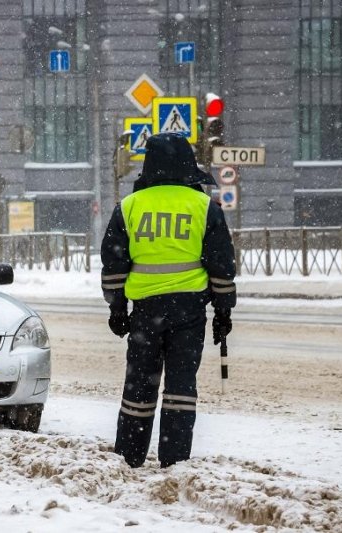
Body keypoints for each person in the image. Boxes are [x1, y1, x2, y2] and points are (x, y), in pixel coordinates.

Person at [100, 132, 236, 468]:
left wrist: (117, 308)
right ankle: (174, 459)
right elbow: (221, 267)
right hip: (189, 312)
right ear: (188, 166)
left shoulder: (129, 207)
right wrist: (223, 312)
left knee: (139, 388)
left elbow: (114, 264)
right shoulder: (205, 208)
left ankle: (129, 455)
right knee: (180, 388)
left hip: (145, 313)